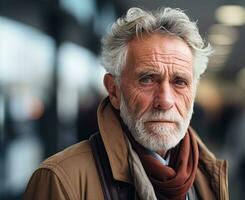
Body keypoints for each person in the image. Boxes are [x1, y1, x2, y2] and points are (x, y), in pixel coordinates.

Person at [24, 7, 228, 200]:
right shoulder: (61, 179)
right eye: (147, 79)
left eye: (180, 82)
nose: (165, 101)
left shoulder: (209, 175)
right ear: (114, 90)